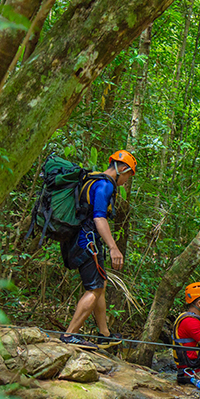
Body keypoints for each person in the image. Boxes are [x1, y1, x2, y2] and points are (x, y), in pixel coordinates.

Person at [60, 150, 136, 350]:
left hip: (79, 240)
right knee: (94, 289)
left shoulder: (93, 180)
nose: (126, 181)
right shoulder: (105, 185)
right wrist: (113, 247)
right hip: (88, 242)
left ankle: (104, 334)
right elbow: (99, 217)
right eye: (128, 175)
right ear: (122, 169)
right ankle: (70, 335)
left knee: (99, 285)